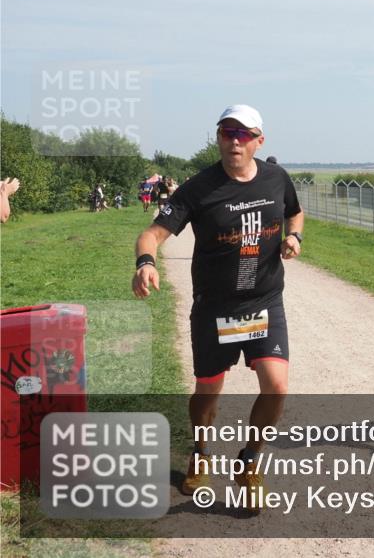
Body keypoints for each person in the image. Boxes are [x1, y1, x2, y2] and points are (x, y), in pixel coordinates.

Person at [131, 104, 304, 512]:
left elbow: (295, 213)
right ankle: (201, 451)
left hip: (264, 301)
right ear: (218, 138)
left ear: (260, 140)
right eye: (227, 132)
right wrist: (145, 263)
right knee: (208, 389)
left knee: (277, 385)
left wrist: (295, 238)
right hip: (215, 308)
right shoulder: (198, 188)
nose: (235, 141)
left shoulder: (277, 178)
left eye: (244, 134)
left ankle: (250, 461)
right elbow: (151, 234)